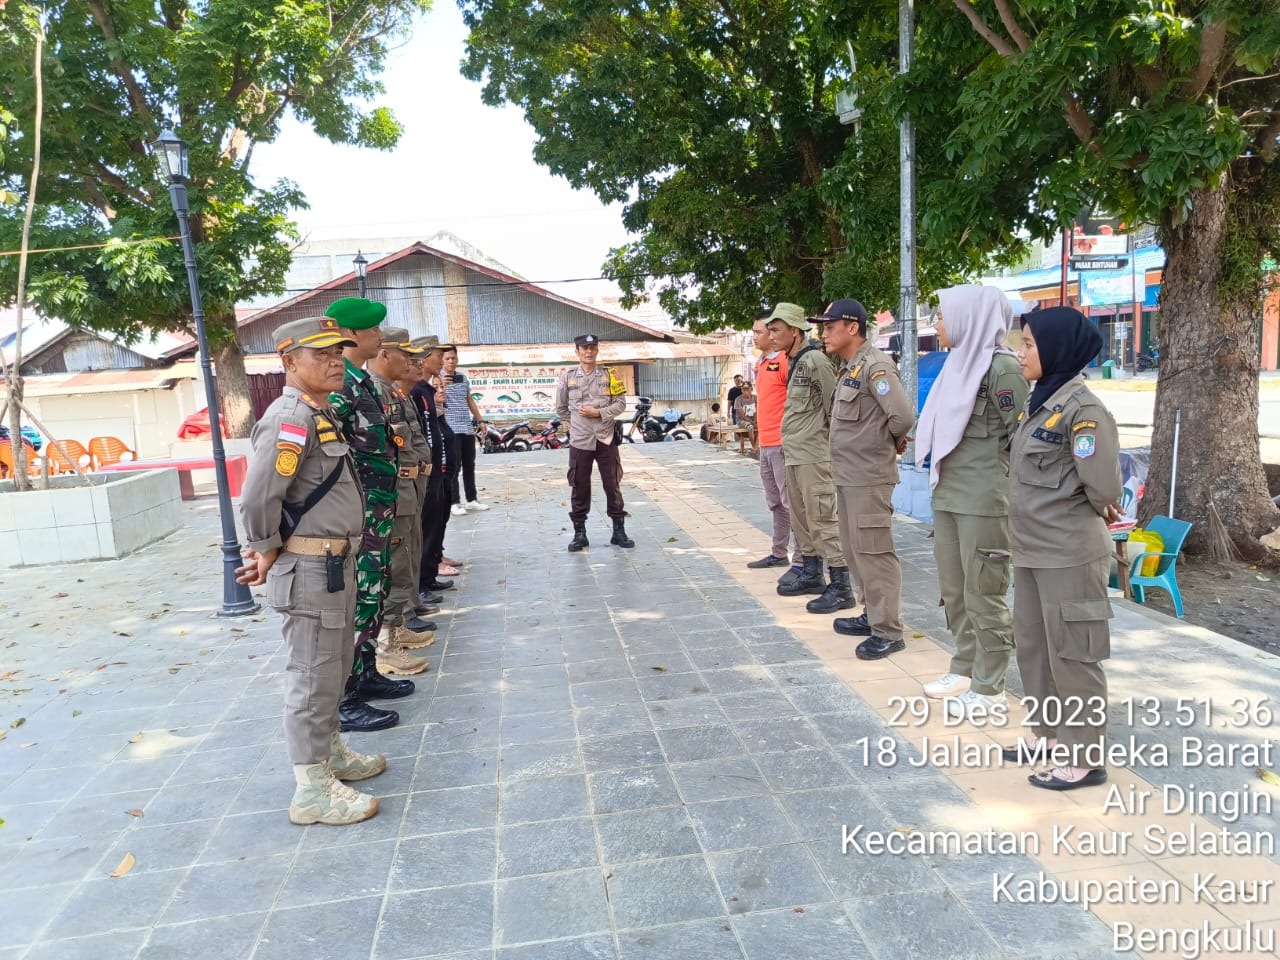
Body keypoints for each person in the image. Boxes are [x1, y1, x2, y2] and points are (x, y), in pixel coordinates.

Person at [237, 316, 383, 825]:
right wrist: (263, 548)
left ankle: (329, 753)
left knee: (334, 668)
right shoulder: (290, 418)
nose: (335, 362)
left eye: (337, 352)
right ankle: (311, 789)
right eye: (321, 354)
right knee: (311, 674)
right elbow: (259, 496)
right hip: (311, 568)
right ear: (289, 362)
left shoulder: (319, 413)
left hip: (334, 564)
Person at [1003, 306, 1122, 791]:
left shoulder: (1083, 411)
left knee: (1074, 656)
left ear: (1055, 349)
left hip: (1069, 553)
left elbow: (1104, 489)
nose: (1021, 352)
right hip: (1031, 550)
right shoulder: (1040, 402)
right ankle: (1050, 736)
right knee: (1034, 649)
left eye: (1030, 344)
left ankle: (1084, 758)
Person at [914, 286, 1027, 710]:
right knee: (955, 590)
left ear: (968, 318)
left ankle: (989, 685)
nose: (937, 324)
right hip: (948, 495)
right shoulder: (957, 365)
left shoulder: (1002, 368)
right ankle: (963, 667)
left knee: (984, 592)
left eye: (943, 316)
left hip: (984, 501)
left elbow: (1023, 438)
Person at [325, 298, 414, 733]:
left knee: (373, 594)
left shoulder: (361, 381)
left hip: (377, 509)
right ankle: (345, 698)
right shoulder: (340, 386)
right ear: (351, 334)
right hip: (358, 513)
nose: (380, 336)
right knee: (359, 599)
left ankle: (366, 673)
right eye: (373, 330)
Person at [814, 299, 914, 659]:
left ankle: (888, 631)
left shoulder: (875, 366)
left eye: (830, 327)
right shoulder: (851, 367)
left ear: (852, 327)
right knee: (855, 551)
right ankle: (872, 615)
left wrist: (886, 445)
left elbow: (902, 417)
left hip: (868, 476)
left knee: (874, 552)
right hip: (848, 475)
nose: (824, 333)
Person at [765, 303, 853, 615]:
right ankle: (812, 573)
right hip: (794, 455)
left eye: (776, 330)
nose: (771, 336)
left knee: (823, 520)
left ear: (794, 331)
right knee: (802, 521)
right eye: (769, 330)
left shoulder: (815, 360)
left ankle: (842, 587)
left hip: (814, 456)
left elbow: (834, 408)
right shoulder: (794, 361)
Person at [365, 327, 433, 676]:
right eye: (404, 354)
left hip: (407, 488)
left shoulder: (390, 391)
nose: (410, 361)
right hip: (393, 492)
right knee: (396, 566)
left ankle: (397, 629)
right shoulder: (374, 391)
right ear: (385, 354)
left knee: (406, 558)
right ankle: (387, 646)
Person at [554, 333, 631, 550]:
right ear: (577, 351)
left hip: (606, 439)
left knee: (612, 484)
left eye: (592, 348)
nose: (589, 352)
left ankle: (619, 531)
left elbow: (621, 404)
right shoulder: (567, 377)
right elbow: (561, 409)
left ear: (597, 350)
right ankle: (580, 534)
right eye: (584, 348)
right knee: (579, 485)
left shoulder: (610, 375)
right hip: (580, 441)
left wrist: (598, 413)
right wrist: (578, 423)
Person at [745, 311, 802, 576]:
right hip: (767, 443)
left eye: (759, 332)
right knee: (775, 502)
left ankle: (803, 560)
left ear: (773, 333)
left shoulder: (784, 362)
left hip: (783, 443)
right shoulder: (761, 364)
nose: (754, 337)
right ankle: (779, 553)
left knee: (792, 502)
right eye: (754, 332)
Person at [410, 336, 458, 596]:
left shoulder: (427, 391)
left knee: (436, 523)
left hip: (437, 469)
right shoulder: (416, 392)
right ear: (425, 357)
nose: (442, 360)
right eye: (439, 355)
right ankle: (421, 583)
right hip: (425, 472)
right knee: (425, 528)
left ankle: (428, 576)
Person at [442, 346, 489, 515]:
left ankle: (471, 499)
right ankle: (454, 502)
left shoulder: (462, 378)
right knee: (454, 467)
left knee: (469, 465)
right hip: (450, 428)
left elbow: (469, 400)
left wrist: (480, 420)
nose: (451, 361)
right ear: (442, 360)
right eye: (447, 358)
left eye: (453, 358)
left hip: (467, 427)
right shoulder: (436, 379)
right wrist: (440, 386)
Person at [733, 382, 758, 455]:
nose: (745, 391)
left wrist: (755, 421)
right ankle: (754, 447)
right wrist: (753, 423)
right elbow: (742, 416)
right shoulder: (738, 400)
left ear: (751, 389)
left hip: (754, 420)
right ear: (741, 390)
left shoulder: (756, 398)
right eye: (744, 389)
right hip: (741, 421)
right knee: (750, 427)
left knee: (761, 427)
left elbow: (758, 411)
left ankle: (756, 446)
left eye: (747, 389)